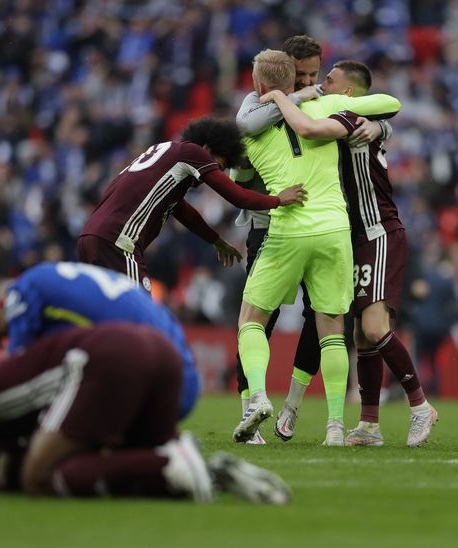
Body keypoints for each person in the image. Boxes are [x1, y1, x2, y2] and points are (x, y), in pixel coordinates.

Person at [0, 323, 291, 503]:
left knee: (39, 478)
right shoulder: (4, 428)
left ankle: (167, 461)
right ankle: (204, 471)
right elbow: (3, 479)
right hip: (156, 351)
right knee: (90, 470)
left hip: (108, 361)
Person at [260, 60, 437, 447]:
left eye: (329, 80)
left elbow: (308, 127)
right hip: (351, 237)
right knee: (360, 333)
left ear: (349, 93)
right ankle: (369, 426)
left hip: (379, 232)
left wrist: (276, 96)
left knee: (374, 329)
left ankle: (421, 407)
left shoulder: (350, 116)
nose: (321, 84)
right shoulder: (353, 115)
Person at [232, 49, 400, 446]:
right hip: (335, 230)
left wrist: (276, 102)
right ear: (296, 81)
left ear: (258, 87)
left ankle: (256, 397)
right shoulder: (329, 104)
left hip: (286, 230)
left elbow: (238, 176)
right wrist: (375, 125)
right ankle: (336, 427)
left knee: (251, 320)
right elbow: (388, 103)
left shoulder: (250, 131)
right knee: (331, 332)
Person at [77, 117, 306, 290]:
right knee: (141, 318)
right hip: (118, 242)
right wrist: (278, 199)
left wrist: (216, 241)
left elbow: (184, 212)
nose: (217, 171)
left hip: (92, 236)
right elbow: (238, 196)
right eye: (219, 164)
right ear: (207, 149)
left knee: (105, 317)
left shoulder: (166, 153)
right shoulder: (192, 152)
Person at [0, 261, 199, 420]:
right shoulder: (58, 279)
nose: (13, 335)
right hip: (184, 377)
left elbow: (17, 377)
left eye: (6, 332)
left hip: (154, 380)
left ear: (1, 306)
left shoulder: (20, 292)